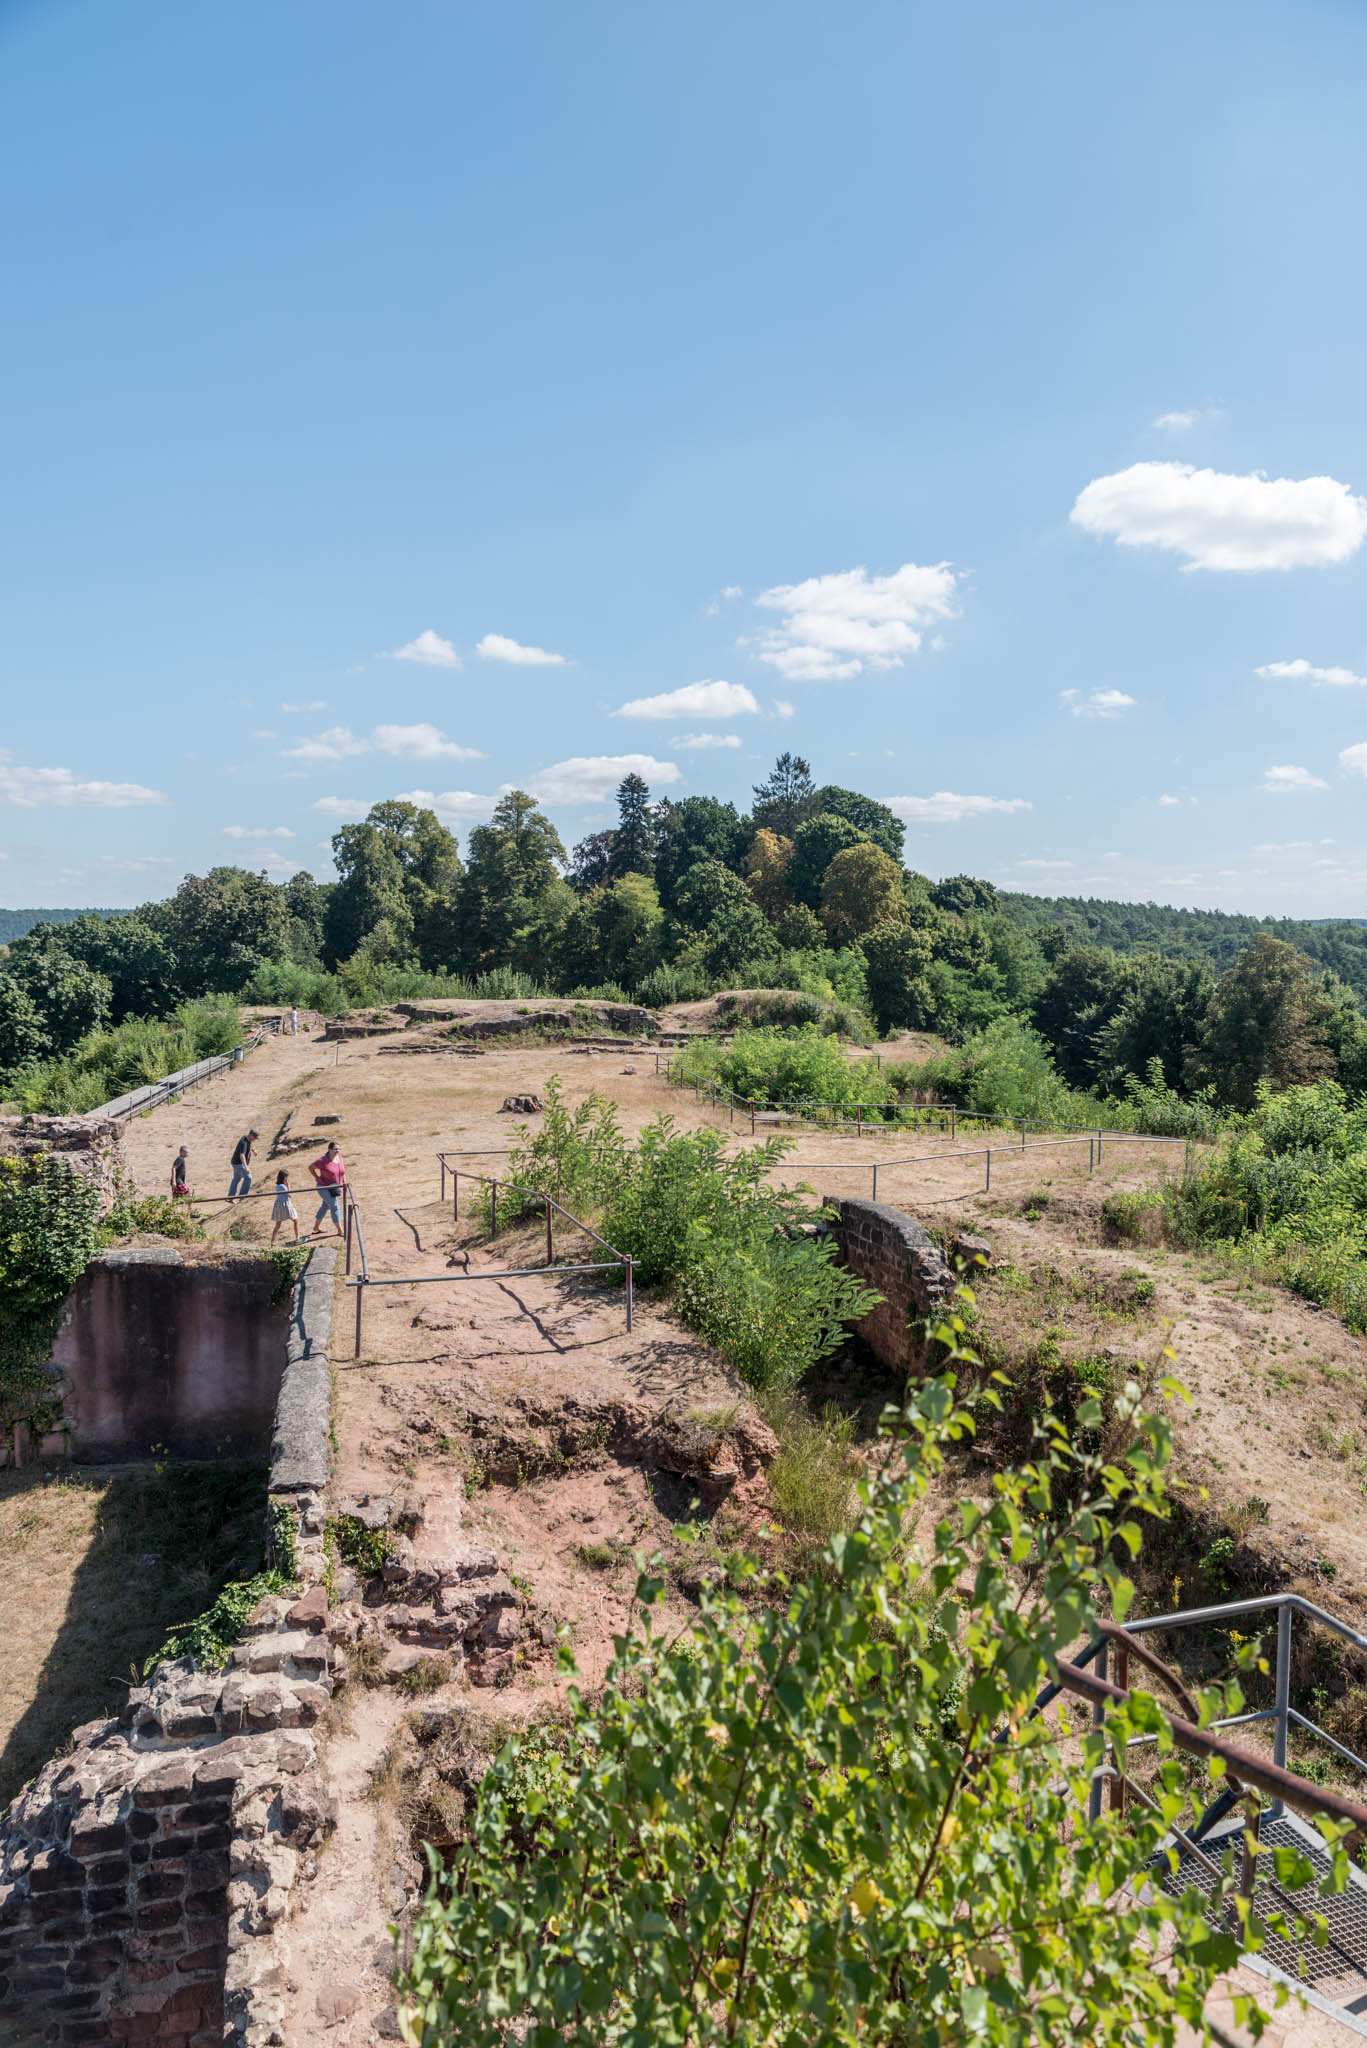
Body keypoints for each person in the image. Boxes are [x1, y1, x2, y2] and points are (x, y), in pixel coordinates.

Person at [308, 1140, 346, 1236]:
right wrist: (316, 1177)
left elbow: (342, 1172)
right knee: (335, 1207)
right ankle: (340, 1231)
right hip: (323, 1187)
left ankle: (316, 1228)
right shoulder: (322, 1160)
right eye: (335, 1149)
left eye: (338, 1149)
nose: (337, 1151)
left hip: (335, 1188)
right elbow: (310, 1167)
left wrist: (344, 1183)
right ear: (329, 1150)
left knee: (325, 1206)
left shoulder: (340, 1159)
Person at [229, 1129, 259, 1202]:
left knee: (236, 1179)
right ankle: (242, 1196)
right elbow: (242, 1155)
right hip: (239, 1164)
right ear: (251, 1135)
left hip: (235, 1163)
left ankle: (230, 1197)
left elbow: (250, 1145)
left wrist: (253, 1150)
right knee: (248, 1177)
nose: (255, 1139)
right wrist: (246, 1168)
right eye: (254, 1138)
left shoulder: (246, 1139)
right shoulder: (244, 1142)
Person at [271, 1168, 299, 1244]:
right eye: (287, 1177)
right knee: (295, 1221)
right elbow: (289, 1195)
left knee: (278, 1225)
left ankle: (272, 1242)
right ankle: (297, 1238)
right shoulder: (282, 1186)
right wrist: (288, 1185)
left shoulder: (279, 1186)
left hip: (281, 1204)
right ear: (284, 1177)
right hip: (284, 1205)